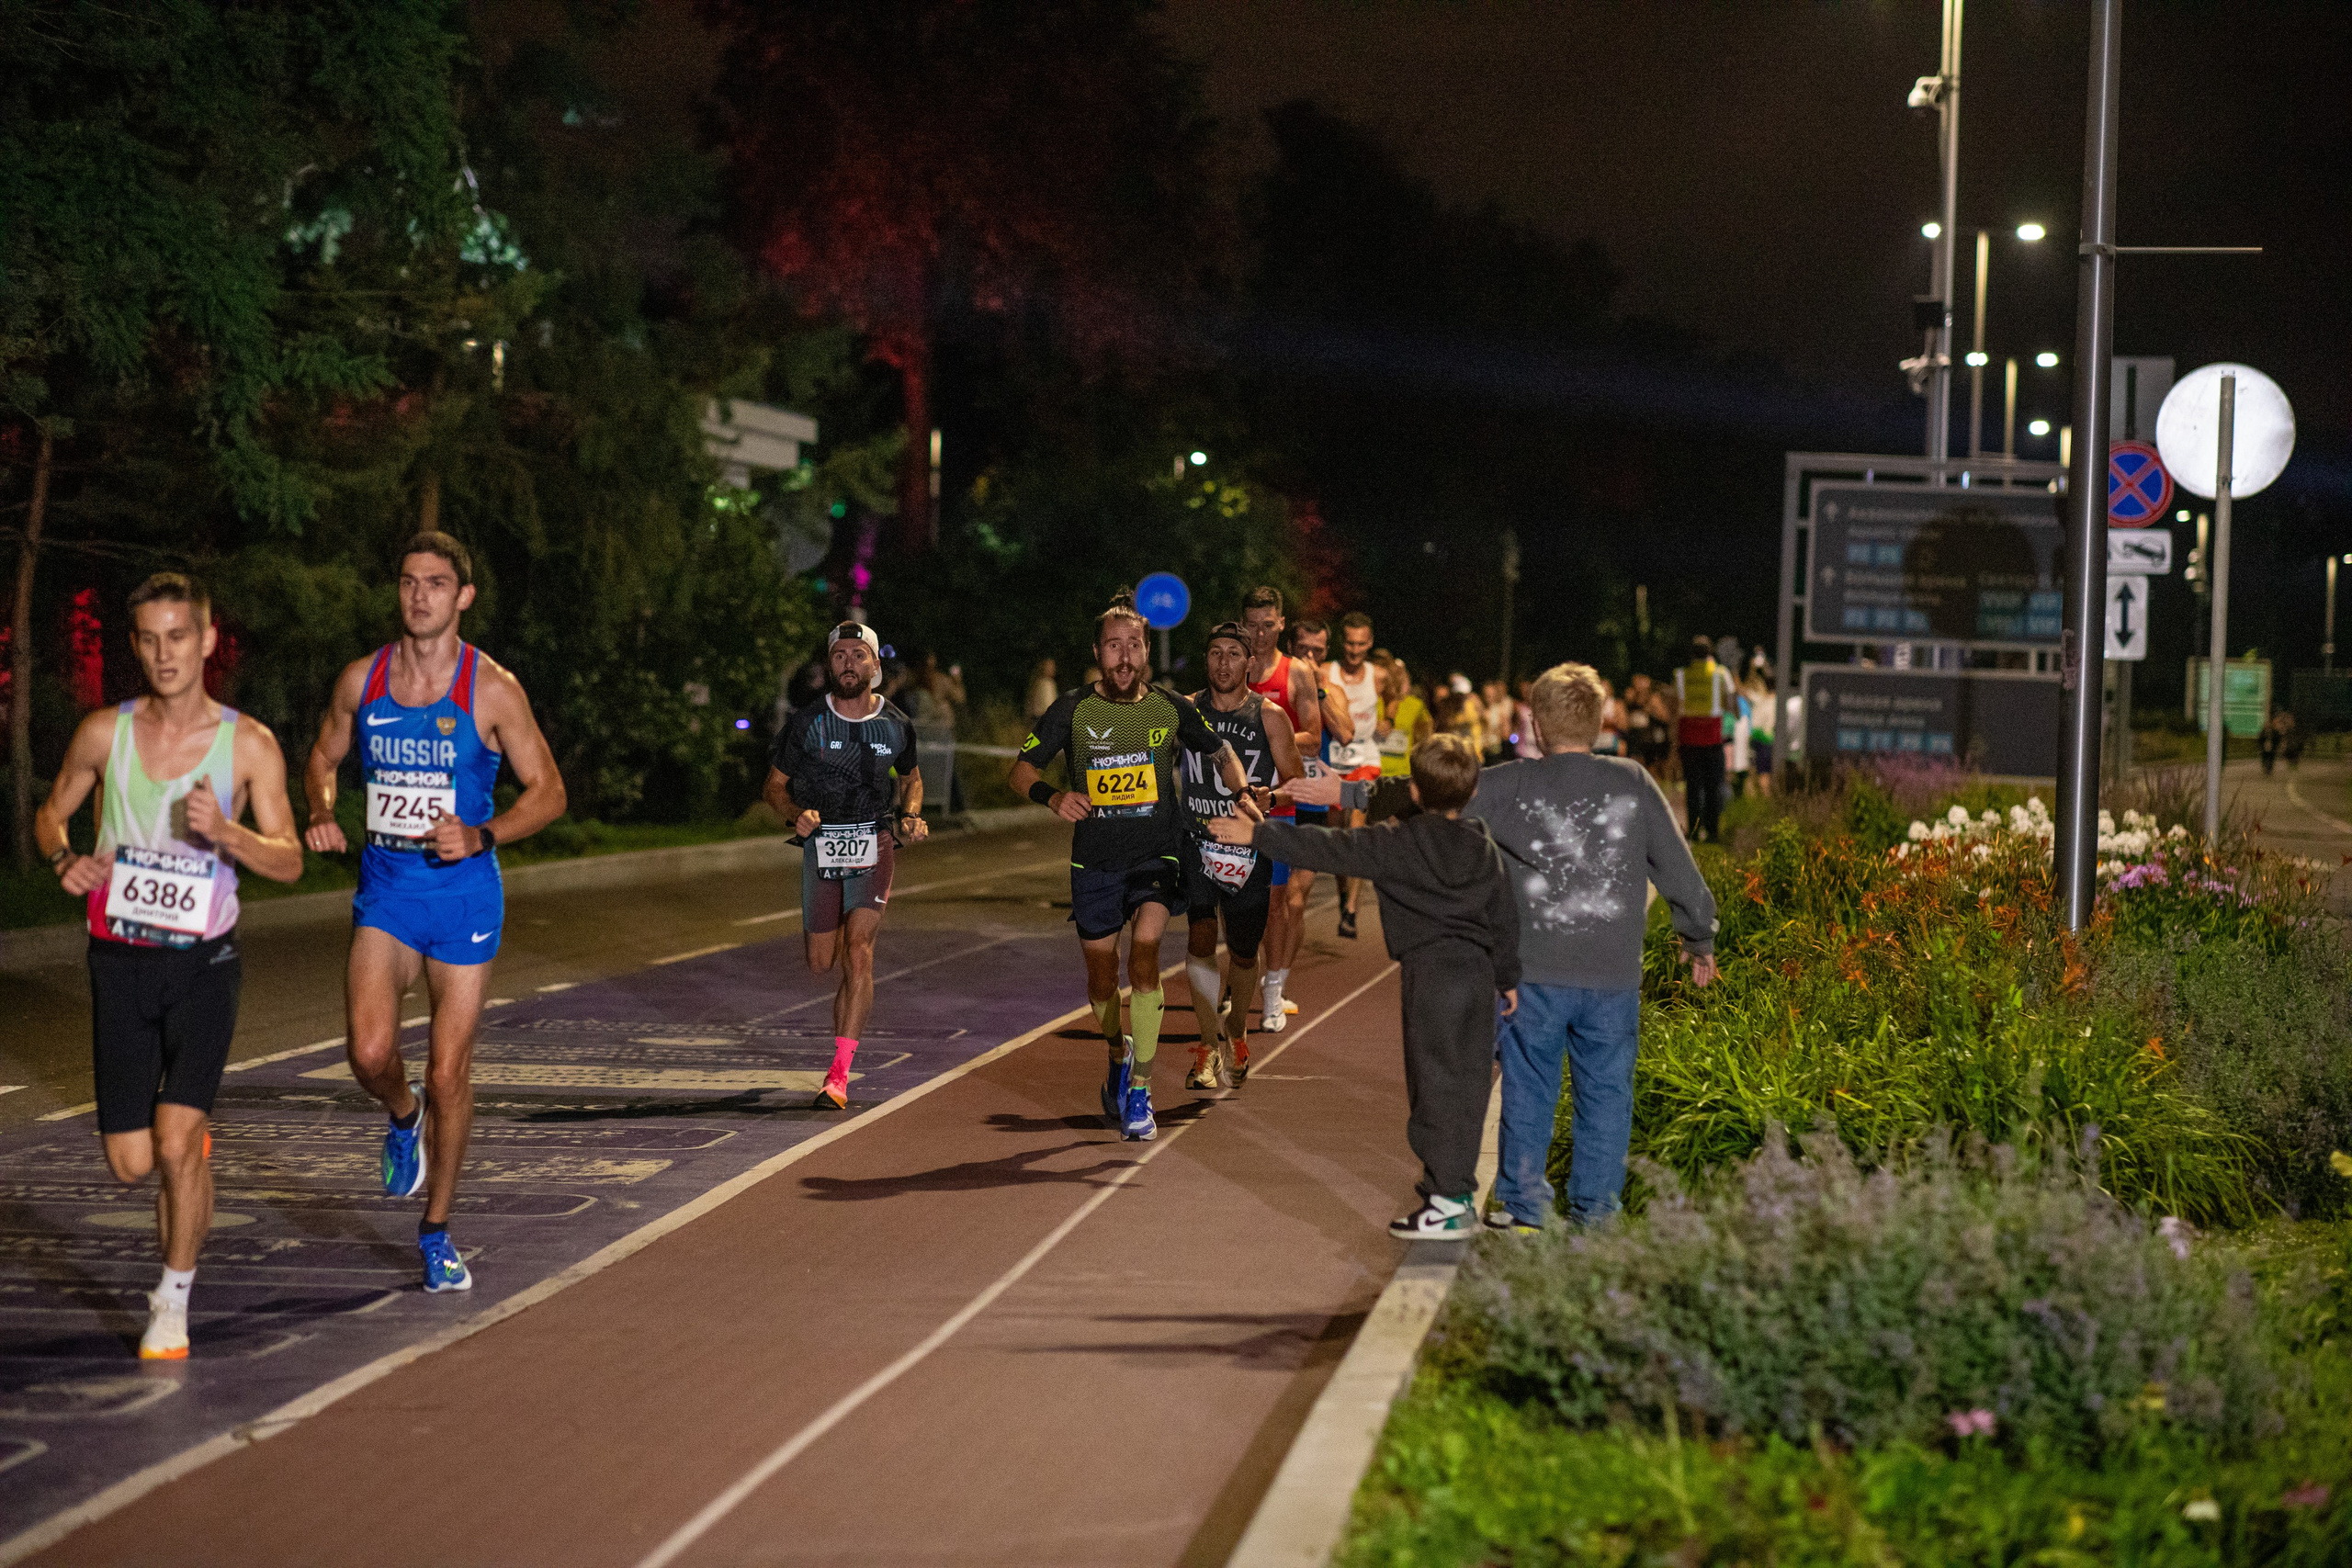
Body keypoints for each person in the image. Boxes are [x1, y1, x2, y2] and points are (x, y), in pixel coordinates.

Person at [1291, 663, 1718, 1233]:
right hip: (1613, 976)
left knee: (1530, 1089)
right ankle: (1597, 1213)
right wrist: (1699, 936)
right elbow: (1677, 867)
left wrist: (1348, 790)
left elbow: (1431, 796)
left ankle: (1525, 1206)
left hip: (1536, 973)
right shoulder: (1633, 781)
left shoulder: (1514, 784)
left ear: (1536, 725)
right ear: (1597, 721)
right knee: (1608, 1095)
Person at [35, 573, 305, 1358]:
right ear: (136, 645)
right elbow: (50, 811)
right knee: (131, 1162)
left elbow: (288, 860)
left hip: (204, 964)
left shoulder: (248, 744)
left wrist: (228, 832)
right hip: (119, 960)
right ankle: (186, 1152)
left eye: (179, 636)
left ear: (208, 639)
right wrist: (63, 858)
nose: (165, 654)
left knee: (177, 1139)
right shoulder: (101, 734)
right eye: (150, 639)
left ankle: (172, 1302)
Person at [304, 533, 568, 1293]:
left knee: (451, 1070)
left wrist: (483, 831)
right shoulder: (365, 679)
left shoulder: (491, 689)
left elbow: (548, 791)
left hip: (462, 895)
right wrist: (320, 809)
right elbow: (323, 757)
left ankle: (436, 1230)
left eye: (437, 583)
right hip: (387, 888)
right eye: (409, 581)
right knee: (367, 1051)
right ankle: (400, 1114)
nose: (420, 595)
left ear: (464, 597)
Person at [1207, 734, 1519, 1240]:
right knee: (1466, 1085)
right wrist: (1508, 978)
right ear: (1472, 791)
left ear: (1415, 792)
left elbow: (1330, 849)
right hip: (1480, 976)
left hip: (1431, 979)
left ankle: (1446, 1203)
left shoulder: (1397, 844)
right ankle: (1458, 1190)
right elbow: (1505, 915)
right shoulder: (1484, 844)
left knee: (1432, 1088)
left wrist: (1259, 836)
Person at [1010, 591, 1251, 1141]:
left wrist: (1243, 793)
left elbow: (1218, 751)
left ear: (1145, 653)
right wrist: (1052, 797)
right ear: (1097, 652)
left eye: (1134, 646)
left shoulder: (1170, 707)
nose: (1124, 656)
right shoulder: (1071, 709)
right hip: (1094, 860)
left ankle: (1140, 1089)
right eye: (1113, 646)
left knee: (1144, 957)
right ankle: (1118, 1053)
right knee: (1101, 978)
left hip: (1155, 853)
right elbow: (1021, 770)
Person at [764, 621, 928, 1110]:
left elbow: (912, 779)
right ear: (829, 664)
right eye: (840, 656)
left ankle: (838, 1075)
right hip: (821, 843)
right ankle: (834, 923)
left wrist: (911, 816)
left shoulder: (896, 723)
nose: (849, 664)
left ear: (875, 666)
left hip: (874, 842)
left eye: (859, 655)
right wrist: (796, 814)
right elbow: (774, 786)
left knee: (860, 953)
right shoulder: (808, 722)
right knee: (822, 962)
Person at [1179, 622, 1302, 1090]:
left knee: (1244, 954)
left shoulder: (1268, 715)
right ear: (1206, 659)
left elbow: (1293, 780)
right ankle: (1209, 1046)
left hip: (1248, 850)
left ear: (1250, 662)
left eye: (1234, 654)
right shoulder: (1186, 710)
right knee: (1199, 938)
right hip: (1196, 843)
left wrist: (1265, 800)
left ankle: (1236, 1030)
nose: (1223, 663)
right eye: (1215, 653)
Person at [1240, 586, 1324, 1033]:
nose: (1259, 634)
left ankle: (1273, 992)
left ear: (1281, 624)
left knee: (1275, 903)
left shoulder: (1296, 674)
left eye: (1268, 625)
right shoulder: (1231, 663)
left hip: (1279, 802)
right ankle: (1241, 976)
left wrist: (1272, 733)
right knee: (1232, 899)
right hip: (1232, 802)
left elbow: (1312, 731)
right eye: (1252, 625)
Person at [1323, 612, 1384, 941]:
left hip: (1365, 760)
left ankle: (1351, 910)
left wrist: (1384, 724)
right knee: (1337, 839)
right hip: (1332, 762)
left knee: (1355, 830)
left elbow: (1397, 693)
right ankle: (1343, 894)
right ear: (1341, 641)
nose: (1355, 650)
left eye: (1361, 644)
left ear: (1370, 643)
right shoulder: (1325, 672)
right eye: (1349, 643)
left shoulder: (1379, 676)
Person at [1675, 636, 1737, 843]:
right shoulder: (1720, 674)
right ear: (1710, 653)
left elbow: (1676, 707)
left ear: (1692, 654)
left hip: (1688, 738)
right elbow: (1731, 703)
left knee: (1693, 788)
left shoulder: (1681, 675)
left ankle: (1693, 831)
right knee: (1713, 787)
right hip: (1712, 738)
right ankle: (1712, 833)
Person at [1377, 655, 1432, 782]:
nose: (1396, 677)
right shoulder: (1373, 701)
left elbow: (1426, 732)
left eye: (1399, 673)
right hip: (1375, 772)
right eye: (1393, 673)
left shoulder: (1416, 705)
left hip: (1402, 775)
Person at [1740, 657, 1775, 795]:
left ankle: (1761, 800)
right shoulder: (1776, 700)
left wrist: (1753, 669)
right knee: (1765, 773)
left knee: (1758, 772)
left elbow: (1745, 688)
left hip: (1757, 736)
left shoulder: (1760, 698)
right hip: (1767, 737)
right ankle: (1765, 800)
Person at [1025, 657, 1060, 722]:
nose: (1052, 669)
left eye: (1052, 667)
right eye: (1049, 667)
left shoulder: (1050, 683)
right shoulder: (1042, 683)